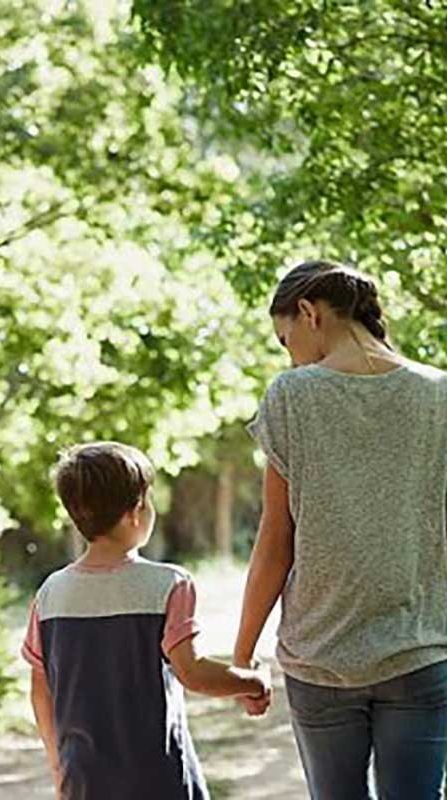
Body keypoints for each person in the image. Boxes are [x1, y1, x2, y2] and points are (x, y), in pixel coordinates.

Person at [233, 260, 447, 799]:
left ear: (309, 313)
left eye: (286, 340)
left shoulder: (292, 395)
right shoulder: (438, 394)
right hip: (419, 651)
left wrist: (243, 655)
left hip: (319, 657)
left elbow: (275, 540)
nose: (290, 356)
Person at [22, 442, 271, 800]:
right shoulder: (168, 584)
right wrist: (253, 682)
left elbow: (41, 689)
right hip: (158, 777)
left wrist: (58, 765)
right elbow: (193, 673)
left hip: (84, 778)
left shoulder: (50, 594)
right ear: (135, 512)